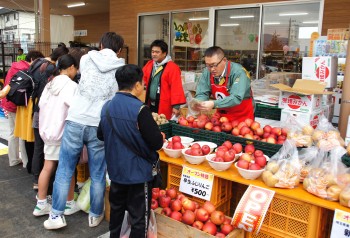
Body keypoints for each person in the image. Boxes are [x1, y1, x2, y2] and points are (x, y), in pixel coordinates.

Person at [44, 32, 125, 230]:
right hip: (98, 124)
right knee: (98, 173)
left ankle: (56, 215)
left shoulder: (88, 58)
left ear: (100, 44)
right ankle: (95, 215)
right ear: (120, 50)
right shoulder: (121, 67)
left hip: (76, 119)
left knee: (64, 170)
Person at [97, 64, 164, 237]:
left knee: (117, 211)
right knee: (139, 218)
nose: (143, 87)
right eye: (142, 84)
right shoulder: (141, 110)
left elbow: (100, 135)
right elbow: (156, 143)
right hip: (138, 174)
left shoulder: (107, 107)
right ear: (136, 85)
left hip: (116, 171)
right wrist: (160, 137)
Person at [33, 54, 80, 217]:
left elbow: (41, 105)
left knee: (47, 167)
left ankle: (41, 204)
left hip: (47, 133)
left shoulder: (49, 84)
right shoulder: (72, 86)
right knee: (68, 170)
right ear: (72, 67)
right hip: (64, 133)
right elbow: (76, 109)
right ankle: (68, 203)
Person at [30, 45, 69, 190]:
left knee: (39, 149)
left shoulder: (38, 65)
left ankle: (36, 181)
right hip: (51, 119)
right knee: (51, 160)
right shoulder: (52, 71)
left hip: (38, 113)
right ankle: (48, 188)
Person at [0, 51, 44, 167]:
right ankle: (26, 162)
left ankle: (13, 160)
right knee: (22, 133)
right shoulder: (27, 69)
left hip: (9, 102)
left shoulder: (14, 66)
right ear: (33, 59)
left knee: (13, 132)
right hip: (20, 106)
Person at [194, 46, 254, 122]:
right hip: (221, 117)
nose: (212, 69)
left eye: (214, 65)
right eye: (208, 65)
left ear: (224, 60)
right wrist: (199, 102)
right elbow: (202, 92)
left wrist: (213, 104)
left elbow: (236, 97)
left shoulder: (238, 72)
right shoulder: (207, 72)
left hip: (242, 117)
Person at [142, 39, 186, 120]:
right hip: (150, 102)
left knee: (162, 126)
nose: (154, 54)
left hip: (164, 104)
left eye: (157, 52)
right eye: (152, 52)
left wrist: (176, 106)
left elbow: (176, 87)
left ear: (164, 53)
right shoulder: (149, 64)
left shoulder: (172, 67)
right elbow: (142, 79)